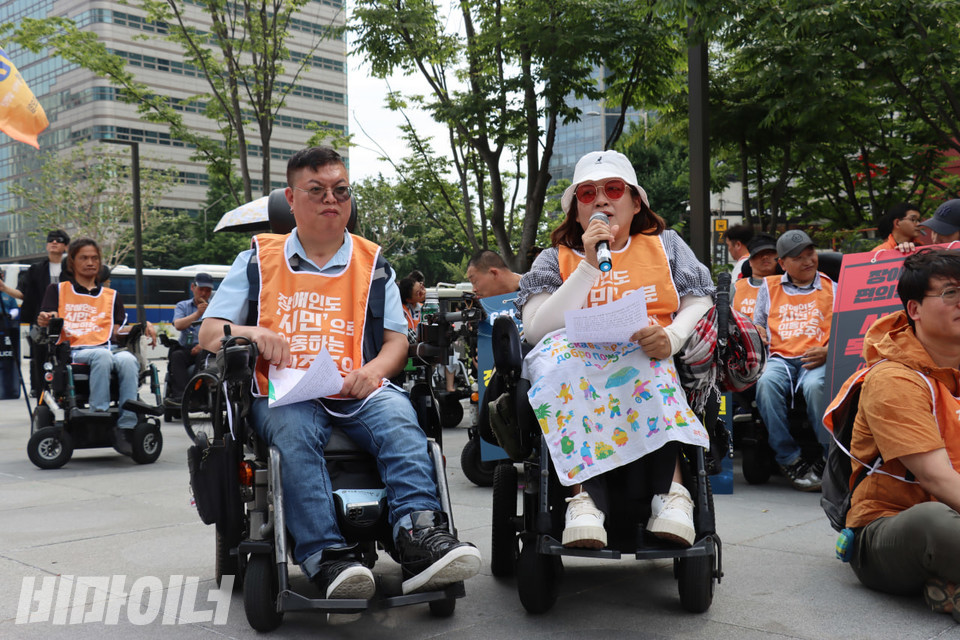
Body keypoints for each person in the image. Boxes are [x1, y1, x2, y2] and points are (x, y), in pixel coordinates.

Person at [198, 146, 480, 600]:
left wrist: (373, 372)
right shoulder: (256, 260)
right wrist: (251, 333)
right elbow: (211, 333)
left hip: (357, 386)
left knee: (401, 418)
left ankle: (419, 534)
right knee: (294, 434)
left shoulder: (374, 265)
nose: (332, 199)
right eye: (317, 190)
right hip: (286, 392)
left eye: (340, 190)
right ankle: (326, 555)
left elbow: (396, 342)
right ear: (291, 199)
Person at [518, 150, 714, 549]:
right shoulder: (553, 259)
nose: (601, 200)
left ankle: (673, 495)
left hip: (645, 353)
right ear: (576, 211)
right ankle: (583, 501)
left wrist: (672, 337)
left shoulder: (667, 247)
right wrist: (588, 266)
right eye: (587, 193)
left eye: (613, 189)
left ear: (636, 201)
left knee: (651, 357)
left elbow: (700, 298)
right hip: (577, 363)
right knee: (559, 365)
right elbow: (537, 329)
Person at [838, 249, 960, 621]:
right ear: (915, 309)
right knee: (935, 522)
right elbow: (935, 476)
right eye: (951, 292)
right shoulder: (894, 378)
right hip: (891, 529)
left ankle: (948, 585)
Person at [36, 238, 157, 451]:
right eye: (84, 258)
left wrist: (143, 325)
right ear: (72, 262)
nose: (90, 262)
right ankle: (98, 414)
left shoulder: (112, 296)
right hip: (74, 351)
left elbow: (117, 331)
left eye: (94, 258)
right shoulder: (58, 290)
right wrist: (46, 318)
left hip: (105, 347)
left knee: (128, 359)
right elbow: (50, 316)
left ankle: (126, 426)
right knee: (102, 356)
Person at [752, 230, 833, 491]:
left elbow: (847, 331)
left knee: (815, 387)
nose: (808, 260)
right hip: (780, 358)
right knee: (765, 384)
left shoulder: (833, 287)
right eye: (799, 257)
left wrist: (828, 353)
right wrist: (759, 331)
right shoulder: (769, 287)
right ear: (783, 263)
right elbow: (757, 324)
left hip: (817, 357)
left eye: (810, 253)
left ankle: (828, 455)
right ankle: (788, 457)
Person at [14, 229, 70, 396]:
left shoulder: (72, 269)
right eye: (50, 240)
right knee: (39, 360)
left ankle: (64, 396)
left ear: (65, 246)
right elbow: (23, 294)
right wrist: (3, 288)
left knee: (65, 360)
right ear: (46, 245)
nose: (54, 242)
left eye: (58, 240)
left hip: (67, 323)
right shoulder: (36, 269)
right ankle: (41, 399)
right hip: (40, 323)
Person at [164, 273, 215, 406]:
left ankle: (198, 395)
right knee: (176, 356)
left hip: (206, 348)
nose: (204, 293)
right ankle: (181, 395)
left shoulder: (215, 307)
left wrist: (203, 345)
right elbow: (179, 325)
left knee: (203, 358)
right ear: (193, 287)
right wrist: (198, 314)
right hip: (186, 348)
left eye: (207, 290)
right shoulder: (183, 306)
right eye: (201, 289)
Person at [732, 233, 778, 321]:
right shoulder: (735, 288)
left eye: (769, 253)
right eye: (759, 253)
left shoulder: (788, 287)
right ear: (750, 261)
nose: (765, 257)